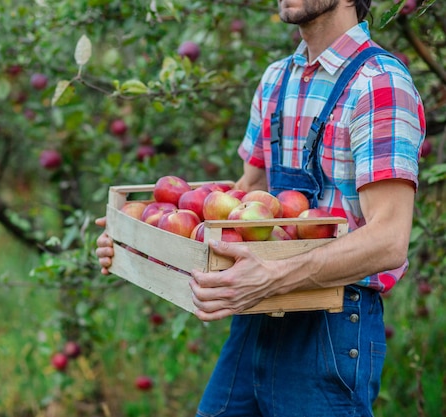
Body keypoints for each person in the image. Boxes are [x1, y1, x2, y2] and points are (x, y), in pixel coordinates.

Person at [96, 0, 426, 415]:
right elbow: (242, 200)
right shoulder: (276, 80)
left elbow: (389, 241)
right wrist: (135, 237)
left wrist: (273, 275)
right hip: (255, 318)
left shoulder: (379, 84)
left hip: (332, 323)